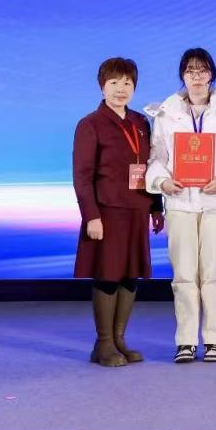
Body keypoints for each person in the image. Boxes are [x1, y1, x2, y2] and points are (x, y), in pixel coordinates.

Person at [145, 48, 216, 365]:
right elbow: (156, 157)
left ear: (212, 74)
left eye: (203, 70)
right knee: (184, 276)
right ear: (182, 76)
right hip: (179, 203)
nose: (197, 76)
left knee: (215, 275)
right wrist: (162, 181)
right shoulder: (166, 113)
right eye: (190, 70)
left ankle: (215, 340)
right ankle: (186, 341)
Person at [73, 57, 164, 367]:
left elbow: (151, 167)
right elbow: (82, 176)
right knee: (108, 274)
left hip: (137, 208)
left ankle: (119, 339)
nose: (121, 89)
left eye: (127, 83)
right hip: (107, 212)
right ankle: (103, 344)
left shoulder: (140, 123)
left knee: (130, 275)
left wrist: (156, 206)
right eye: (114, 83)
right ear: (102, 86)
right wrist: (91, 216)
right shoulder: (90, 124)